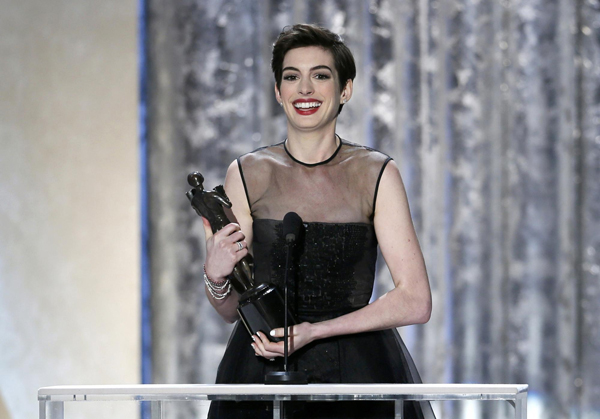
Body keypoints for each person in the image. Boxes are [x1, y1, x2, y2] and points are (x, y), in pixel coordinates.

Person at [201, 24, 435, 419]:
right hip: (264, 372)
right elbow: (231, 311)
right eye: (292, 77)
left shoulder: (377, 174)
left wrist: (315, 331)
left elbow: (416, 301)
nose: (305, 89)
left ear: (345, 90)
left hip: (356, 374)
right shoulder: (246, 173)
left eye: (320, 76)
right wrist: (216, 277)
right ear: (278, 92)